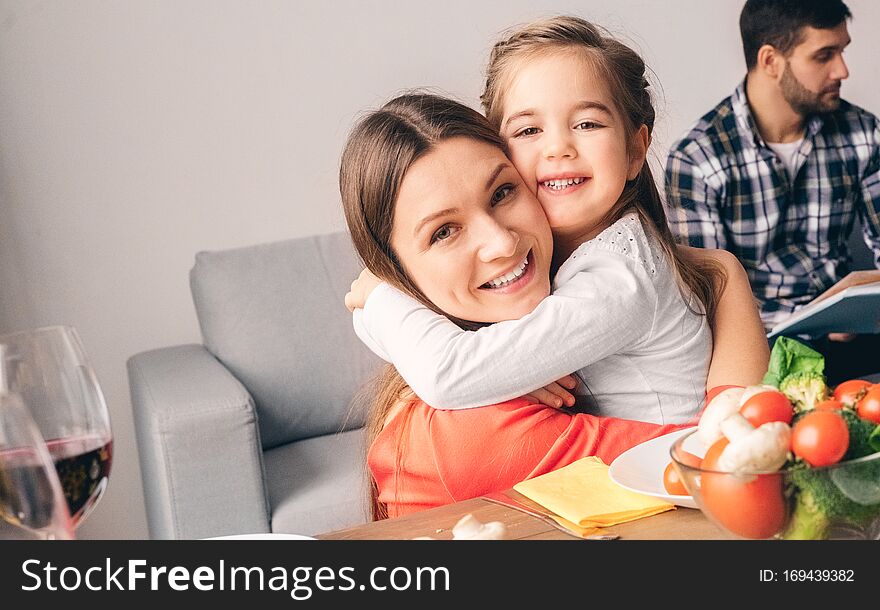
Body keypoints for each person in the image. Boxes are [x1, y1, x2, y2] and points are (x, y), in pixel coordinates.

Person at [340, 93, 746, 518]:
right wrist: (727, 279)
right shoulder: (457, 433)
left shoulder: (583, 295)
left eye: (502, 192)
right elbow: (717, 463)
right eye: (444, 232)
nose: (501, 243)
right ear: (396, 271)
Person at [346, 16, 768, 425]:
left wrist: (382, 296)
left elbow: (448, 375)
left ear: (635, 151)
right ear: (499, 150)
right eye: (529, 131)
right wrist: (508, 378)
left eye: (587, 123)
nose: (558, 148)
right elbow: (446, 366)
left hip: (669, 488)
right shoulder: (544, 265)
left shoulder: (619, 277)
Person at [664, 0, 880, 385]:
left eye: (842, 51)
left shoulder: (863, 133)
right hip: (761, 352)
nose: (842, 70)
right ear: (770, 61)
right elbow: (707, 300)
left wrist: (857, 306)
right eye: (824, 55)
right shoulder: (698, 159)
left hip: (852, 334)